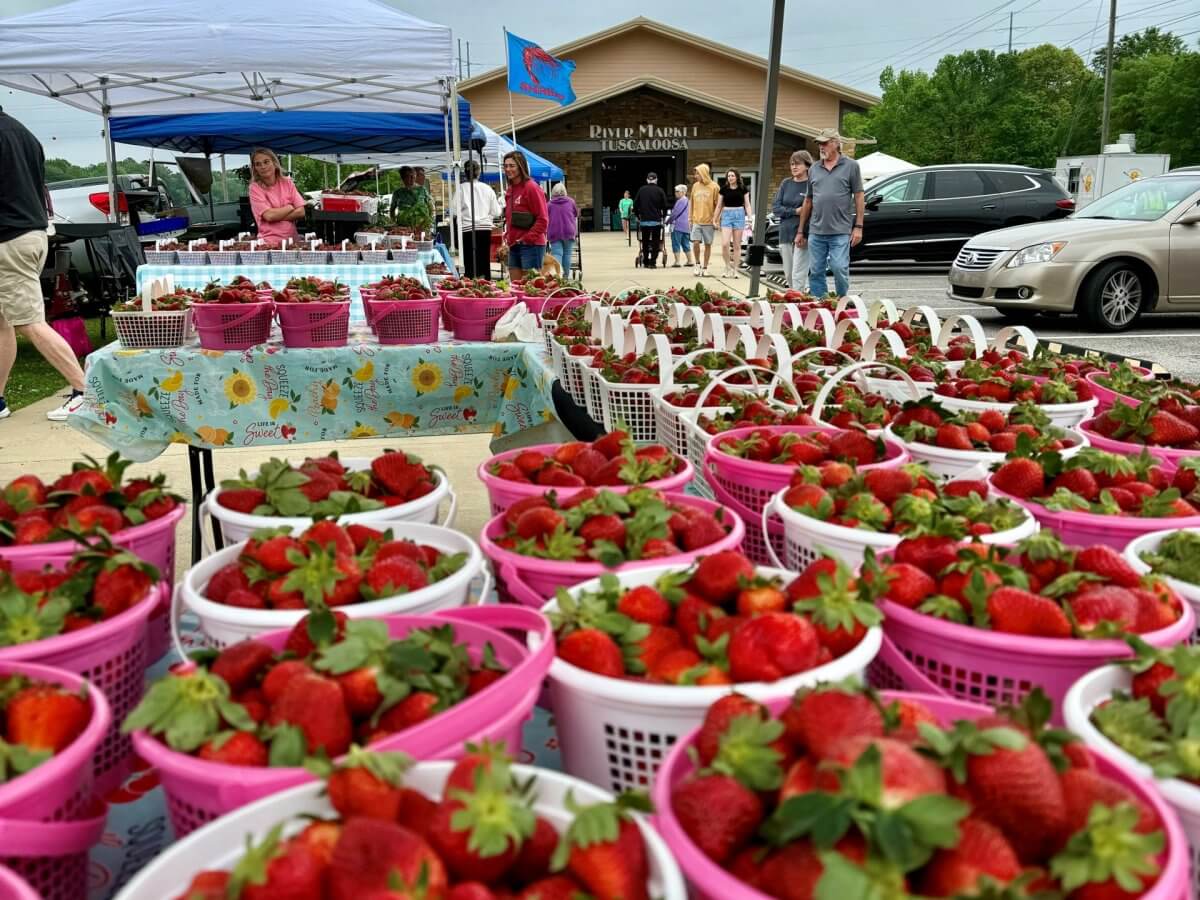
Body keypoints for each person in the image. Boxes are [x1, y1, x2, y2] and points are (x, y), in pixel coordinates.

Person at [0, 108, 87, 422]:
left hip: (9, 240)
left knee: (29, 321)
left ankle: (84, 391)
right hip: (31, 233)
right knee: (4, 321)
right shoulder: (24, 132)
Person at [798, 128, 865, 298]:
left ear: (836, 143)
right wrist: (800, 231)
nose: (821, 146)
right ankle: (821, 305)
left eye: (825, 143)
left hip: (841, 230)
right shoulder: (813, 169)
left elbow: (859, 196)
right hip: (816, 231)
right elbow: (808, 200)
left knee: (839, 267)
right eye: (820, 143)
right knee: (816, 271)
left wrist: (858, 227)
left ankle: (842, 300)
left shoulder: (851, 166)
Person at [500, 150, 549, 283]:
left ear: (521, 166)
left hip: (531, 245)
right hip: (514, 245)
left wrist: (527, 238)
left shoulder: (531, 187)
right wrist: (508, 237)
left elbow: (543, 219)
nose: (508, 169)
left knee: (532, 287)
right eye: (506, 166)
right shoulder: (510, 189)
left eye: (512, 165)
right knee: (516, 287)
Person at [451, 160, 500, 278]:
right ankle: (485, 283)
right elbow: (497, 212)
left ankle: (470, 283)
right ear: (478, 172)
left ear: (465, 173)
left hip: (467, 229)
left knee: (469, 262)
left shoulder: (460, 188)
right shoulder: (488, 189)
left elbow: (453, 211)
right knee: (483, 260)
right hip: (484, 228)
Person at [772, 150, 814, 289]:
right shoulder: (786, 183)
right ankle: (796, 298)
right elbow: (776, 208)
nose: (794, 167)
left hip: (802, 234)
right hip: (785, 233)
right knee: (789, 274)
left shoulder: (811, 184)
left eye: (798, 164)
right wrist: (795, 211)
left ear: (807, 166)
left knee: (798, 274)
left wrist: (805, 233)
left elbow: (811, 211)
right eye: (792, 164)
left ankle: (798, 303)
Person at [248, 148, 307, 244]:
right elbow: (269, 216)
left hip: (292, 241)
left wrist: (277, 216)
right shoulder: (254, 188)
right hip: (269, 243)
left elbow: (301, 212)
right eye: (258, 164)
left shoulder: (287, 183)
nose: (263, 166)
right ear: (255, 169)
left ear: (274, 163)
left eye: (266, 162)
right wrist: (290, 207)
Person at [712, 168, 753, 279]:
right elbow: (719, 205)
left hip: (739, 215)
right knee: (725, 244)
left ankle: (735, 269)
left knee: (737, 245)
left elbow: (747, 205)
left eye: (732, 176)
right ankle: (727, 266)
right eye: (729, 176)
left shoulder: (743, 189)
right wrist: (714, 219)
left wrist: (750, 218)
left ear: (737, 177)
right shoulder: (723, 189)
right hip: (726, 215)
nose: (730, 178)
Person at [688, 163, 720, 277]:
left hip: (708, 222)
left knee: (708, 245)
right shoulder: (695, 186)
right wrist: (690, 218)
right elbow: (691, 202)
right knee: (695, 242)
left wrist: (716, 219)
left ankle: (705, 268)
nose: (695, 175)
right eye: (695, 173)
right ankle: (697, 264)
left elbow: (718, 205)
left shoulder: (714, 187)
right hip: (696, 221)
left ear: (704, 173)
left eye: (697, 173)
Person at [632, 172, 669, 269]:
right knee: (655, 241)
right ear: (656, 180)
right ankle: (653, 262)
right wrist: (664, 216)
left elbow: (635, 205)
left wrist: (637, 216)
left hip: (644, 221)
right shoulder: (660, 190)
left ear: (647, 180)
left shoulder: (641, 190)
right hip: (656, 221)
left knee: (645, 241)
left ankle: (645, 261)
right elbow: (665, 205)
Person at [390, 166, 434, 235]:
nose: (412, 178)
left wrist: (427, 223)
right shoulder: (398, 193)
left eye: (413, 176)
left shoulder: (422, 190)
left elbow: (431, 207)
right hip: (404, 229)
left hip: (422, 228)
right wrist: (395, 224)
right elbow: (392, 210)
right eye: (409, 176)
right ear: (403, 178)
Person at [546, 183, 579, 274]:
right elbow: (576, 213)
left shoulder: (549, 204)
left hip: (554, 232)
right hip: (569, 231)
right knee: (567, 254)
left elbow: (545, 217)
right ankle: (565, 277)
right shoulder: (571, 201)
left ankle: (558, 276)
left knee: (557, 254)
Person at [665, 184, 693, 268]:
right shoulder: (688, 201)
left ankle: (677, 261)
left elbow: (675, 213)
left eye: (677, 191)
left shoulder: (680, 201)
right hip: (686, 226)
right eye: (675, 191)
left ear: (683, 192)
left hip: (678, 226)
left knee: (676, 243)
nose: (675, 193)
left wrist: (667, 221)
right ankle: (690, 260)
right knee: (686, 243)